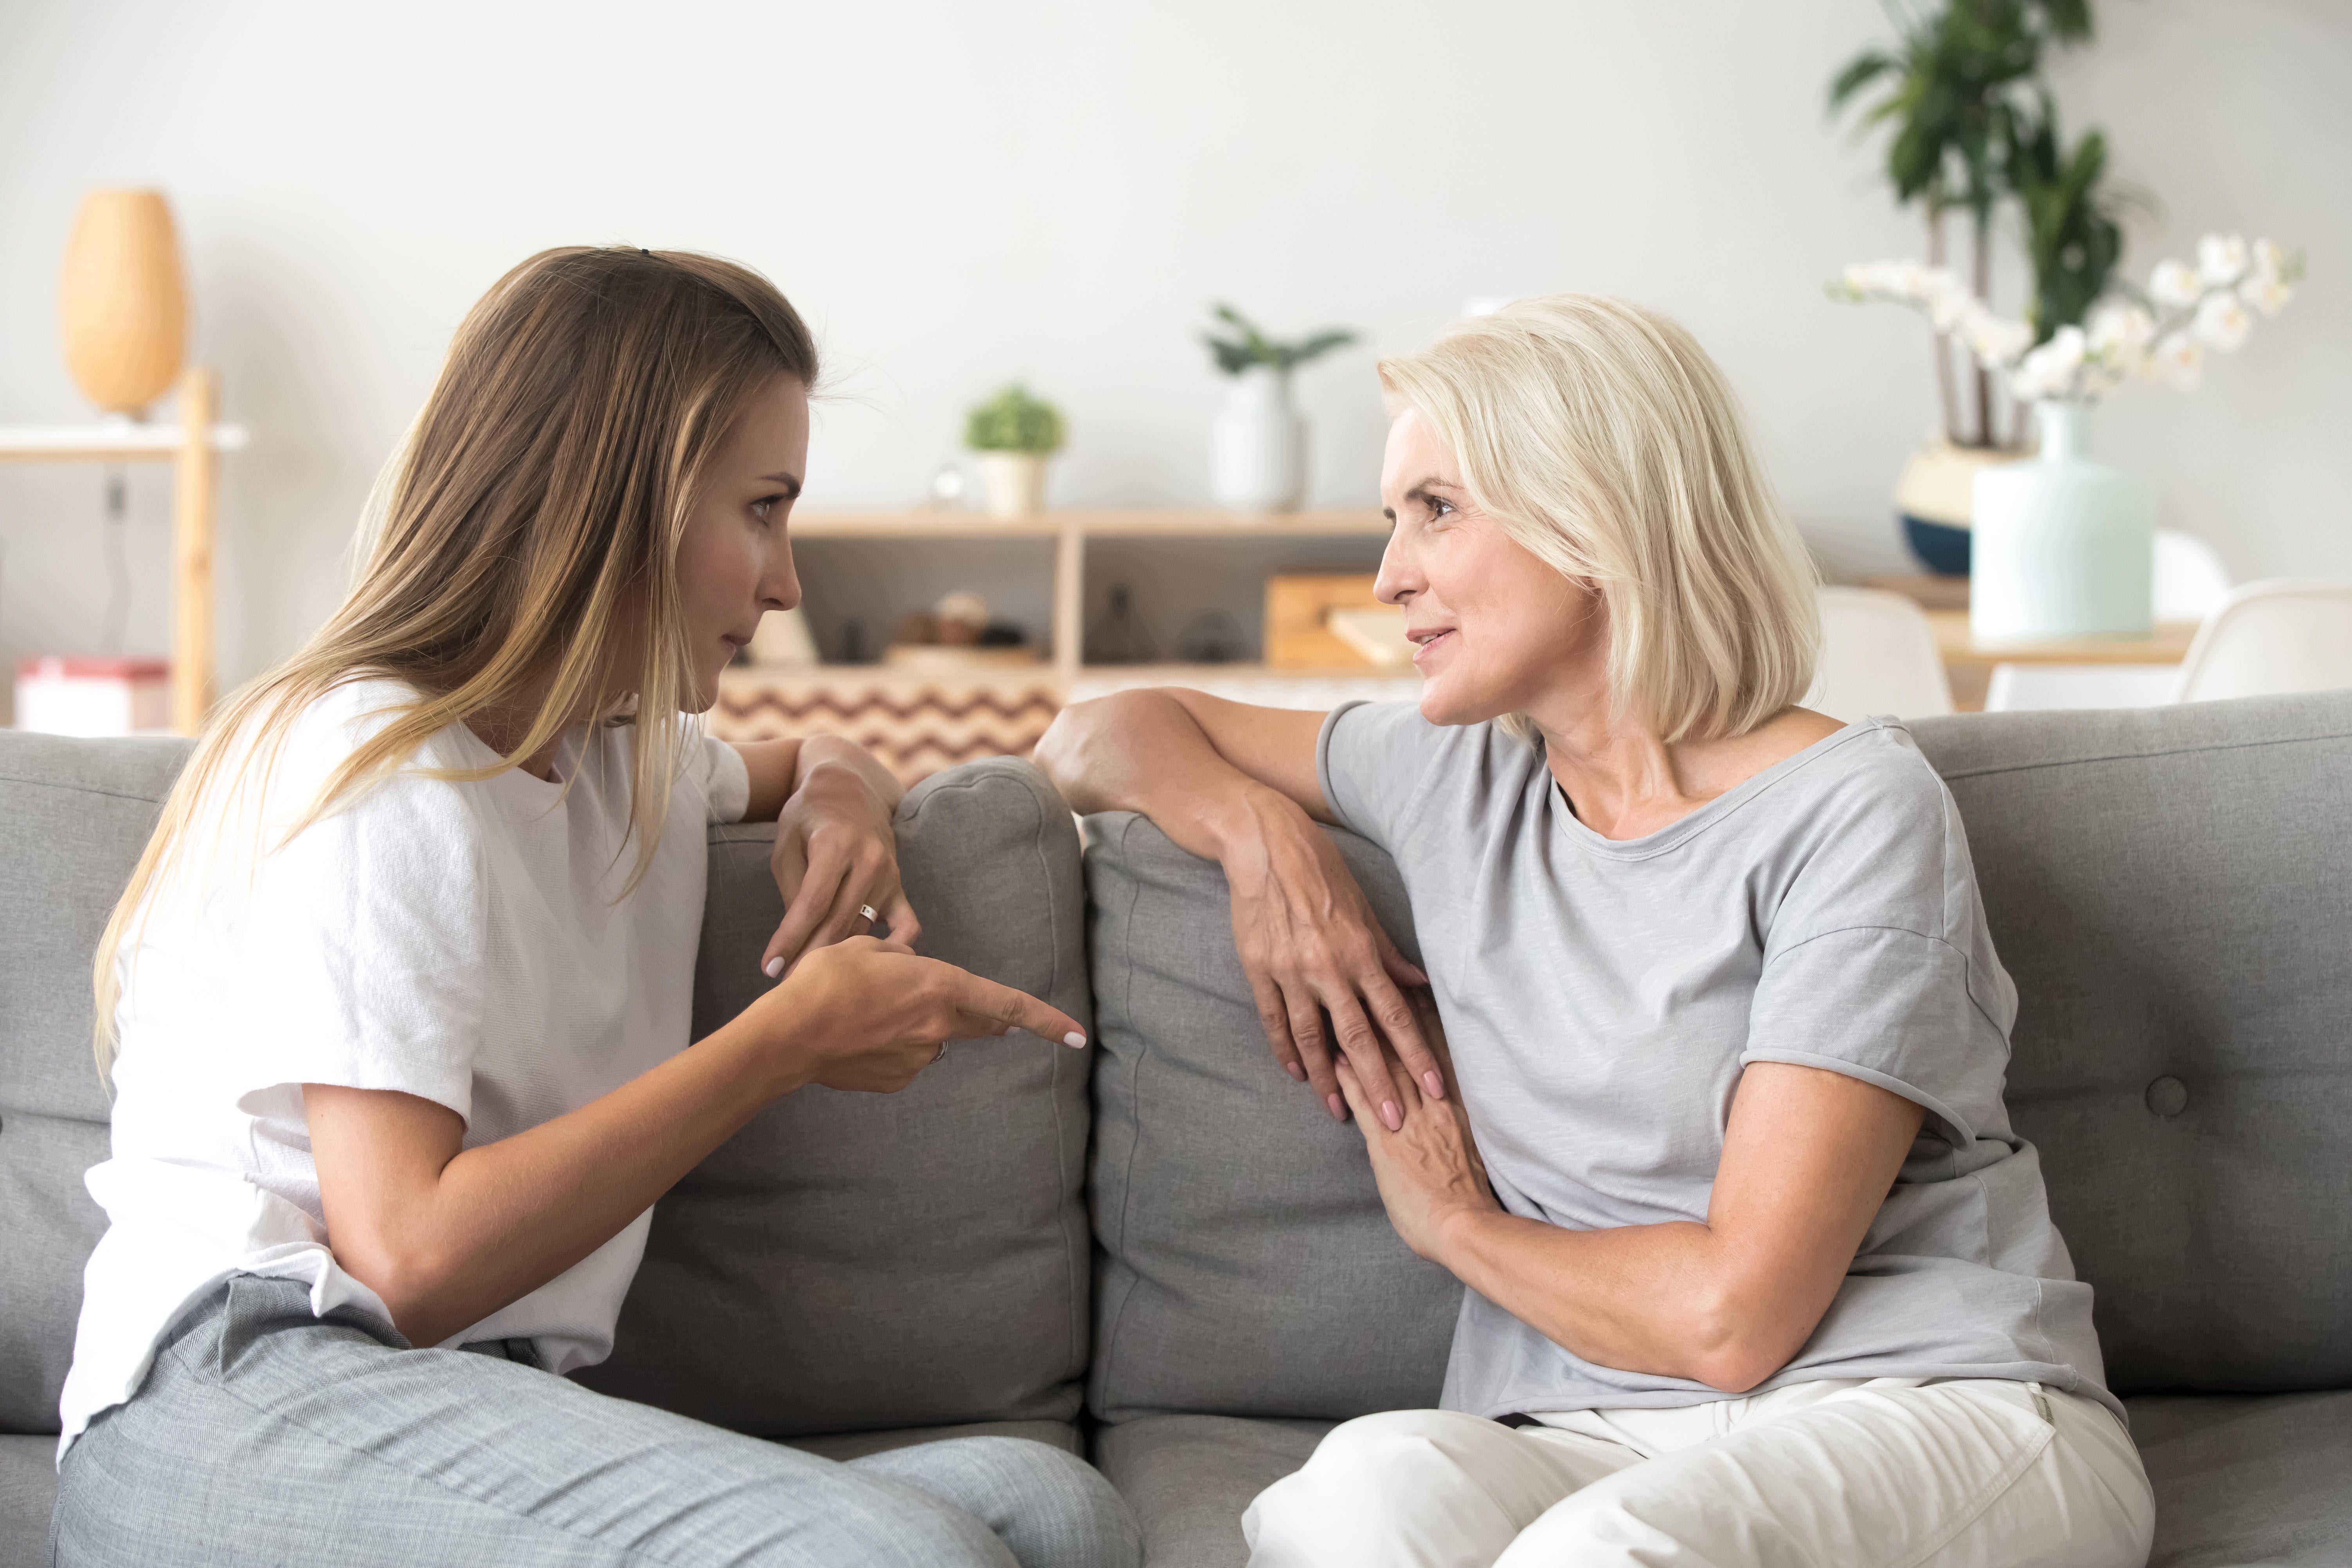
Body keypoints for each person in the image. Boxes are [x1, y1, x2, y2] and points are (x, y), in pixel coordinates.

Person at [54, 245, 1140, 1568]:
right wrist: (785, 1044)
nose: (785, 581)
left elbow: (813, 758)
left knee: (1052, 1514)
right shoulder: (381, 765)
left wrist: (842, 801)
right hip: (239, 1396)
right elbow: (408, 1256)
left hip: (474, 1397)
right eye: (762, 509)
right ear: (615, 501)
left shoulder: (621, 754)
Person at [1033, 295, 2154, 1568]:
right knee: (1347, 1499)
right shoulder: (1453, 774)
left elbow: (1735, 1318)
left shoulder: (1852, 813)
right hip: (1587, 1427)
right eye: (1392, 519)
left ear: (1593, 516)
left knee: (1605, 1555)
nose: (1390, 574)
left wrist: (1454, 1225)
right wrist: (1259, 842)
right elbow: (1090, 733)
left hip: (1926, 1405)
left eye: (1436, 510)